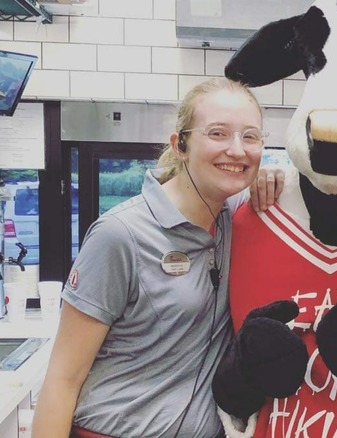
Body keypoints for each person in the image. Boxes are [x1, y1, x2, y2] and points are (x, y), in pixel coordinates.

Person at [32, 77, 269, 438]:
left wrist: (277, 179)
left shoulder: (238, 219)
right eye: (218, 133)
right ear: (181, 145)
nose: (237, 150)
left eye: (250, 136)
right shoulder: (120, 234)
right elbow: (63, 378)